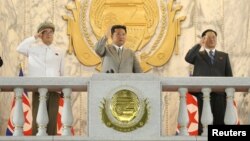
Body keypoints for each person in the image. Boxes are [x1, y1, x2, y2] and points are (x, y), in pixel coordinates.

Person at [16, 21, 64, 135]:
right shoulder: (33, 48)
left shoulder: (59, 51)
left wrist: (62, 88)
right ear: (40, 34)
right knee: (38, 122)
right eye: (45, 32)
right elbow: (19, 48)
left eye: (51, 32)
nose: (48, 34)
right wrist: (34, 37)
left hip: (54, 90)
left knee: (52, 122)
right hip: (38, 90)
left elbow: (62, 72)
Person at [185, 29, 233, 135]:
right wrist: (198, 45)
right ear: (203, 39)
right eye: (209, 37)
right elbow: (188, 58)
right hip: (203, 94)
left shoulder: (224, 56)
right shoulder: (197, 55)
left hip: (220, 96)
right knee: (205, 125)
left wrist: (229, 96)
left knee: (220, 124)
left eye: (214, 37)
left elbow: (229, 77)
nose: (212, 39)